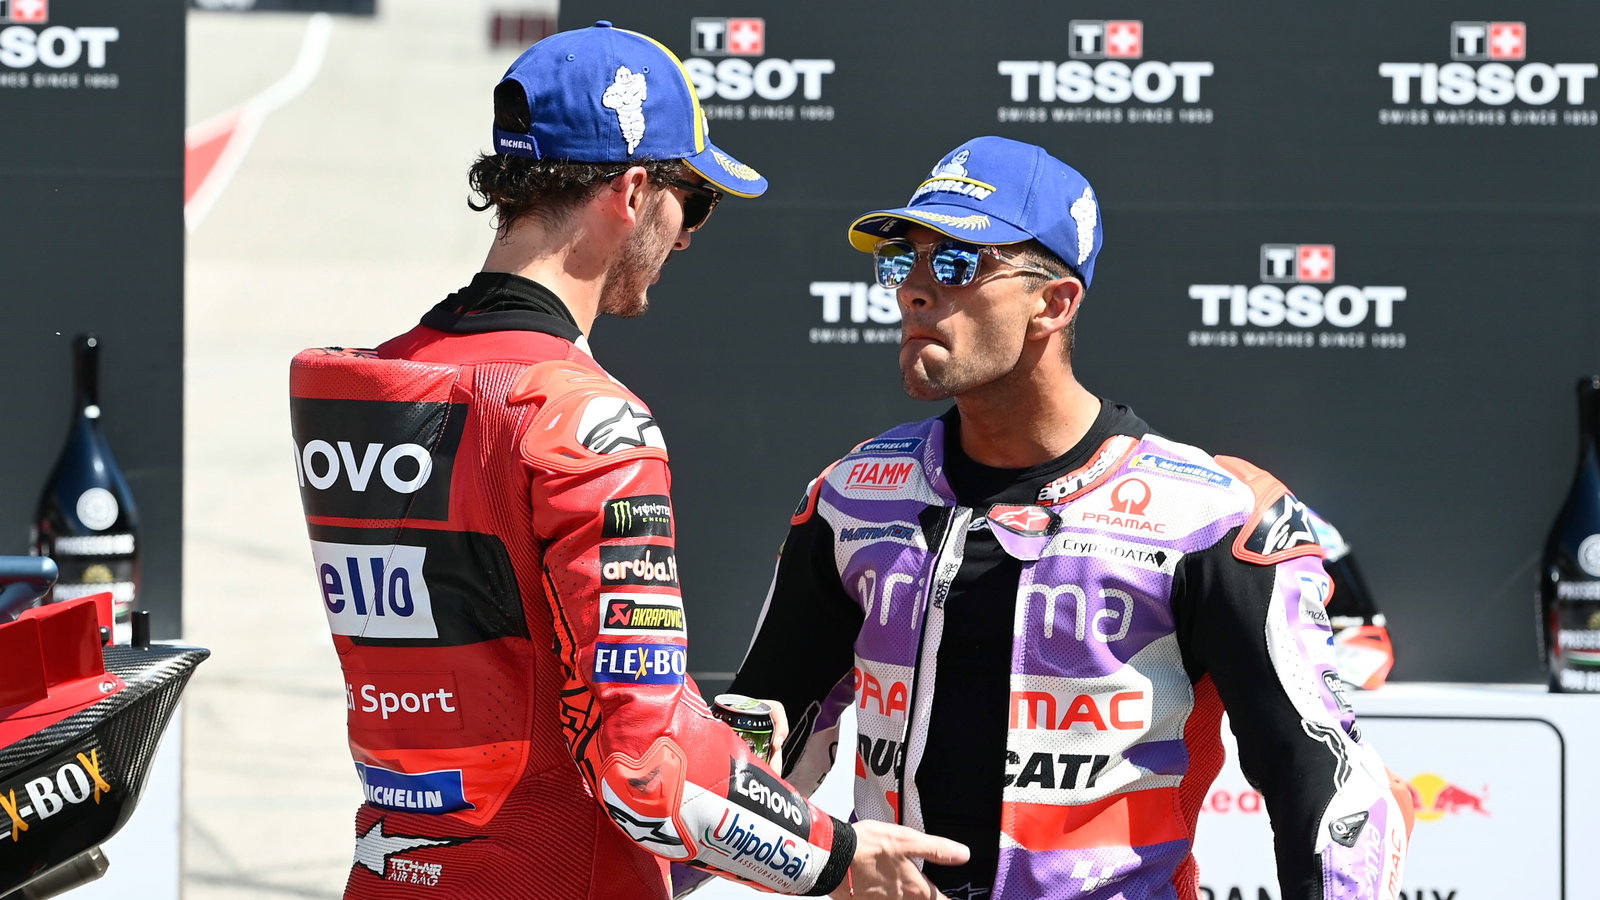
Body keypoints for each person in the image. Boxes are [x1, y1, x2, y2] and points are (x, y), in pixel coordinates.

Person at [287, 22, 964, 900]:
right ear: (634, 192)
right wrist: (835, 858)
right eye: (694, 202)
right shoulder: (583, 415)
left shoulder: (368, 386)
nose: (684, 238)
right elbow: (643, 771)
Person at [729, 136, 1415, 900]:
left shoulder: (1210, 515)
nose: (916, 291)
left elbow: (1329, 788)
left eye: (956, 263)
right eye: (904, 263)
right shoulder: (856, 497)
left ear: (1053, 303)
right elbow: (756, 750)